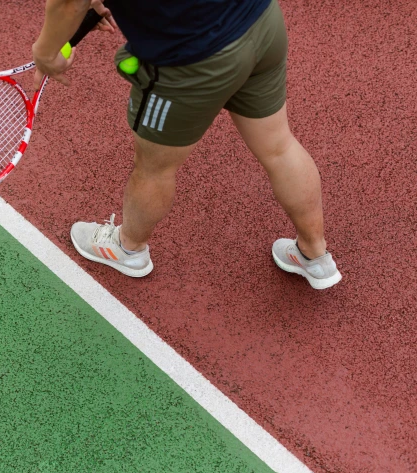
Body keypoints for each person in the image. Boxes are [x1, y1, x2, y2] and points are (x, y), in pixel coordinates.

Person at [32, 0, 342, 290]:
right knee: (279, 147)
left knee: (154, 168)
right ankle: (314, 255)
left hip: (190, 59)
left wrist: (46, 53)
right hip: (260, 22)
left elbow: (68, 3)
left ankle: (129, 249)